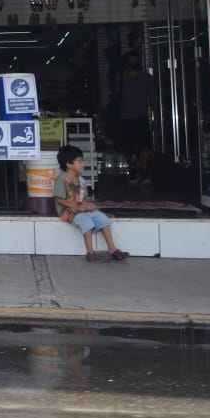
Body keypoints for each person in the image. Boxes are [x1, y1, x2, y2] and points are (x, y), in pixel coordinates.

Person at [53, 144, 128, 261]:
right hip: (68, 212)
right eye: (79, 161)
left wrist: (88, 205)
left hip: (80, 209)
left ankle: (112, 249)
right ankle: (90, 252)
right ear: (68, 164)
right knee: (86, 221)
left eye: (82, 160)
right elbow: (59, 199)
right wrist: (77, 207)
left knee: (101, 217)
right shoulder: (62, 178)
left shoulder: (81, 179)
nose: (83, 163)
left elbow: (84, 197)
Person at [113, 50, 155, 185]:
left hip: (142, 116)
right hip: (126, 118)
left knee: (144, 146)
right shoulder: (121, 78)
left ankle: (143, 171)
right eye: (131, 61)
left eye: (135, 61)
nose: (133, 64)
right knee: (127, 147)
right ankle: (132, 167)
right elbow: (116, 96)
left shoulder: (146, 78)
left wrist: (156, 117)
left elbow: (153, 98)